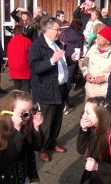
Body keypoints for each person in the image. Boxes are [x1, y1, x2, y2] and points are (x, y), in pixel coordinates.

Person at [29, 17, 77, 162]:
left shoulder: (56, 44)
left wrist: (70, 59)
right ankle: (41, 147)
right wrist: (51, 61)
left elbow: (60, 63)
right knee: (46, 121)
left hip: (60, 88)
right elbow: (34, 67)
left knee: (57, 118)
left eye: (60, 30)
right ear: (48, 29)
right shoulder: (37, 45)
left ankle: (52, 142)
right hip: (46, 89)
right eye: (57, 30)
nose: (60, 33)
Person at [81, 26, 111, 100]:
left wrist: (105, 78)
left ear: (108, 41)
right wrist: (86, 74)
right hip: (89, 91)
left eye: (101, 36)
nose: (98, 37)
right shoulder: (93, 48)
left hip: (103, 95)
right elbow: (85, 62)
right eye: (98, 35)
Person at [61, 18, 84, 112]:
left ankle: (64, 101)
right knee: (69, 80)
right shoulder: (80, 36)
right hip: (74, 57)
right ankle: (65, 101)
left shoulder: (65, 32)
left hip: (65, 56)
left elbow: (61, 42)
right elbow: (81, 49)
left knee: (63, 80)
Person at [7, 24, 32, 93]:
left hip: (14, 69)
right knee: (26, 90)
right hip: (24, 69)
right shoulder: (26, 41)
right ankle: (26, 103)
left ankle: (16, 103)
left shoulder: (11, 42)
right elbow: (32, 54)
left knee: (16, 89)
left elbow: (9, 55)